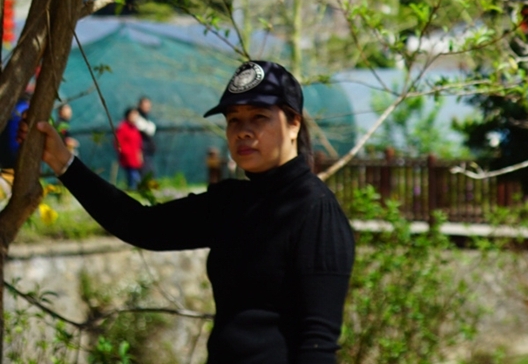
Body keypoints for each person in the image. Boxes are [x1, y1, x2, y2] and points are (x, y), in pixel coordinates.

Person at [36, 60, 354, 364]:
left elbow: (318, 345)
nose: (243, 130)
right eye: (233, 120)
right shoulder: (232, 202)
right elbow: (141, 225)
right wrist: (65, 164)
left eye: (258, 117)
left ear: (294, 123)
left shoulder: (314, 210)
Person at [115, 107, 144, 189]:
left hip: (135, 159)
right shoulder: (123, 127)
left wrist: (139, 154)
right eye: (134, 115)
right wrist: (126, 153)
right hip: (128, 159)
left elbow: (138, 144)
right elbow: (118, 142)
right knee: (134, 179)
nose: (136, 117)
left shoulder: (135, 128)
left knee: (135, 178)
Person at [131, 96, 157, 180]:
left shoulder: (145, 117)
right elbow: (149, 129)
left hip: (147, 150)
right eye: (145, 106)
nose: (147, 108)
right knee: (145, 172)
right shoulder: (136, 117)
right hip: (141, 150)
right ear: (139, 105)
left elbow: (151, 128)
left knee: (149, 171)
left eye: (149, 106)